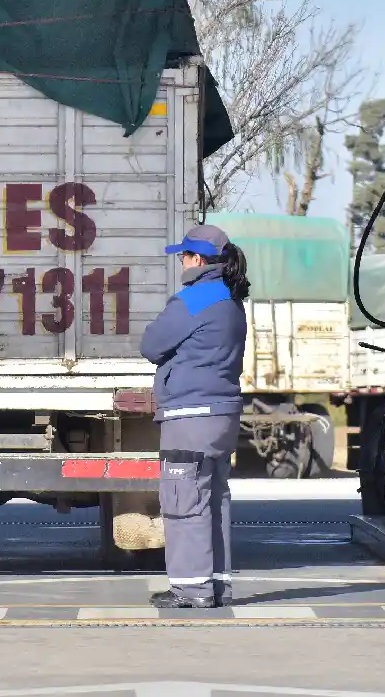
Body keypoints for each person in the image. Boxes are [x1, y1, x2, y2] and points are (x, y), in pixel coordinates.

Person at [140, 223, 248, 609]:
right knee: (214, 500)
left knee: (184, 501)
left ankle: (191, 589)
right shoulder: (233, 302)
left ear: (197, 259)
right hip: (222, 415)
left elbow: (151, 344)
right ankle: (217, 585)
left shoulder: (194, 300)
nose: (181, 263)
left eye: (183, 255)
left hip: (191, 417)